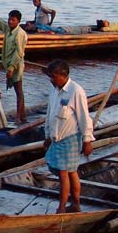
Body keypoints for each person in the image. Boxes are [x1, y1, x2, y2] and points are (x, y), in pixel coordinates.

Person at [43, 59, 95, 214]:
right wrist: (47, 135)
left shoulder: (76, 91)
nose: (52, 80)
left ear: (63, 75)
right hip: (57, 138)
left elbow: (84, 117)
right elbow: (49, 114)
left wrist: (87, 140)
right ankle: (75, 204)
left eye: (54, 77)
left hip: (70, 138)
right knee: (69, 172)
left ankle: (63, 206)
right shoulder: (54, 90)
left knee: (65, 173)